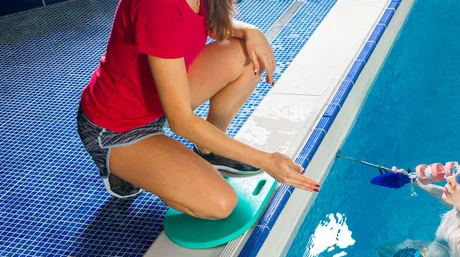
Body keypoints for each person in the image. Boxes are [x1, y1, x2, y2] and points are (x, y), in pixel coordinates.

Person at [77, 0, 319, 219]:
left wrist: (251, 31)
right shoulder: (157, 6)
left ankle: (207, 150)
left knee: (246, 54)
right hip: (116, 127)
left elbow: (209, 25)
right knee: (220, 204)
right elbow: (181, 121)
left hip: (161, 101)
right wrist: (266, 160)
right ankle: (122, 169)